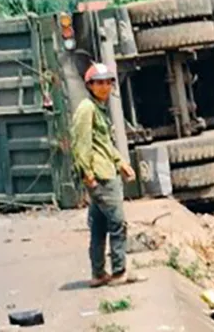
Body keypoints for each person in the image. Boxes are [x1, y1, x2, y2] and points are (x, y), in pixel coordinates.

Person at [71, 63, 143, 288]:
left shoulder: (98, 109)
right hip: (100, 177)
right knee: (118, 223)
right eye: (99, 83)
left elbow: (102, 143)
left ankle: (99, 273)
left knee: (99, 226)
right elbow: (80, 143)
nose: (104, 87)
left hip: (106, 171)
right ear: (90, 85)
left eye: (107, 82)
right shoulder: (86, 109)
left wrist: (120, 162)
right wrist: (88, 174)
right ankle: (119, 271)